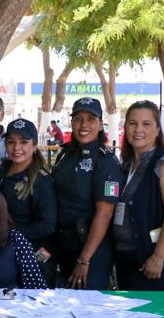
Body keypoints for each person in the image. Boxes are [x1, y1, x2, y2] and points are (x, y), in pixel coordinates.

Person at [112, 101, 164, 291]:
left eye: (146, 124)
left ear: (157, 130)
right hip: (126, 260)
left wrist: (158, 257)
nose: (138, 129)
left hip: (154, 265)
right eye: (132, 123)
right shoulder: (127, 165)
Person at [50, 97, 122, 290]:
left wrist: (84, 260)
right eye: (78, 118)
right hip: (64, 245)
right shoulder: (65, 155)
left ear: (100, 124)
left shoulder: (107, 161)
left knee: (87, 310)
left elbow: (104, 214)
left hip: (91, 250)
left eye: (91, 119)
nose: (83, 125)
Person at [0, 118, 57, 282]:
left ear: (35, 145)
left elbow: (48, 225)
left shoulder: (41, 181)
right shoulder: (2, 172)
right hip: (3, 253)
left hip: (31, 256)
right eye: (11, 142)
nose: (17, 148)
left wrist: (11, 234)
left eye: (24, 142)